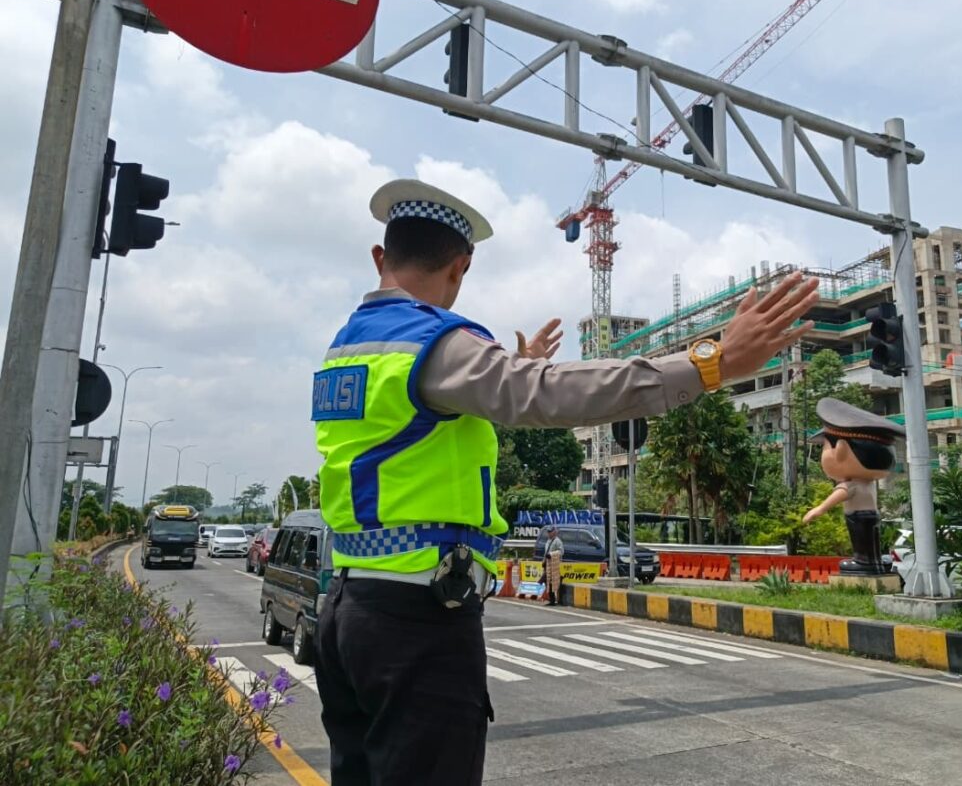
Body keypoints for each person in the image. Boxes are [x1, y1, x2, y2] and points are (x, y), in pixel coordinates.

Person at [312, 178, 821, 785]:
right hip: (414, 621)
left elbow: (409, 444)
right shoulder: (435, 341)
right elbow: (552, 394)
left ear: (380, 257)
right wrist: (710, 363)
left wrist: (509, 368)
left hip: (347, 610)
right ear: (460, 266)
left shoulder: (346, 348)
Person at [801, 397, 905, 574]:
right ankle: (876, 561)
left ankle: (864, 562)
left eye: (825, 447)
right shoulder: (870, 483)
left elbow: (840, 494)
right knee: (872, 539)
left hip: (857, 517)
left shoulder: (852, 485)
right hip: (873, 515)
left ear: (840, 449)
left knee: (861, 541)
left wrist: (817, 510)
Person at [543, 526, 564, 606]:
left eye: (550, 532)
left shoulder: (557, 541)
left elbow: (561, 552)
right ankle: (551, 599)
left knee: (553, 582)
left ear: (554, 532)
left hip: (554, 565)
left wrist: (551, 554)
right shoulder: (548, 541)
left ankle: (553, 600)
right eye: (548, 532)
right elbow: (546, 552)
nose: (548, 533)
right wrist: (544, 561)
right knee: (546, 581)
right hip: (547, 564)